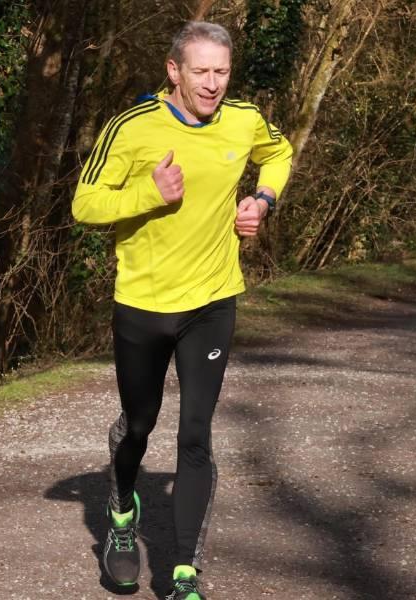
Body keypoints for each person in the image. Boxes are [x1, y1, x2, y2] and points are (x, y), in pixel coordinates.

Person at [72, 21, 293, 600]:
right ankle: (122, 519)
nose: (214, 83)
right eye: (201, 71)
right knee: (138, 426)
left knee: (195, 435)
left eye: (222, 71)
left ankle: (183, 575)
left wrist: (262, 200)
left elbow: (280, 152)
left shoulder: (244, 119)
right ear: (174, 71)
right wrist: (151, 193)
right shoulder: (132, 126)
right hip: (142, 304)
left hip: (213, 302)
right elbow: (85, 203)